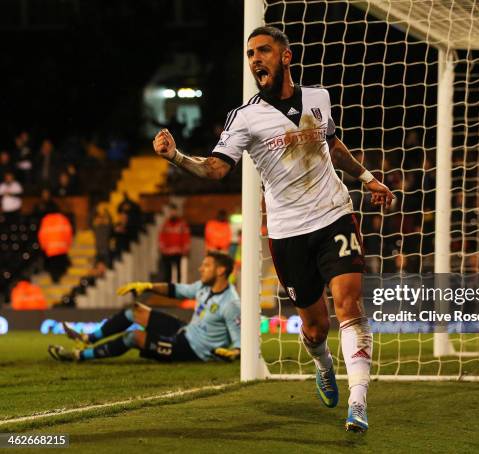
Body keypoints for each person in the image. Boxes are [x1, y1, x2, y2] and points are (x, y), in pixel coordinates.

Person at [152, 26, 394, 432]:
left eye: (263, 51)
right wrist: (176, 156)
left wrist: (367, 177)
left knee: (349, 306)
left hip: (335, 213)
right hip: (287, 232)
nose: (254, 60)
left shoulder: (318, 98)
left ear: (286, 56)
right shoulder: (244, 118)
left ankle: (359, 401)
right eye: (249, 54)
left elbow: (331, 145)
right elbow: (215, 169)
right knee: (315, 327)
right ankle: (323, 363)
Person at [48, 251, 240, 364]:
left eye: (206, 266)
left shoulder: (231, 304)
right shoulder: (203, 287)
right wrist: (147, 286)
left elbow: (240, 341)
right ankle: (87, 338)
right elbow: (176, 290)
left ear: (221, 270)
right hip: (185, 331)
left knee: (134, 337)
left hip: (193, 351)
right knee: (135, 311)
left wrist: (233, 352)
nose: (200, 269)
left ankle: (79, 355)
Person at [158, 203, 191, 282]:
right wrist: (162, 248)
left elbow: (186, 236)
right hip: (167, 252)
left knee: (179, 272)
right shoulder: (165, 224)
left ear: (177, 212)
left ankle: (178, 289)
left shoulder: (182, 224)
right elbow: (161, 236)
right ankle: (168, 289)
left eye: (174, 211)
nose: (173, 213)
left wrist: (186, 248)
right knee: (167, 273)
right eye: (171, 211)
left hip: (178, 252)